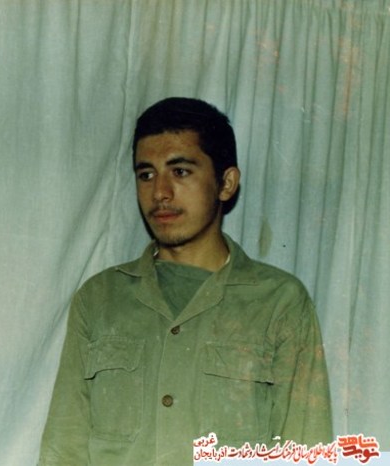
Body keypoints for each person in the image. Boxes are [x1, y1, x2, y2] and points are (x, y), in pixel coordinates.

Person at [39, 98, 332, 465]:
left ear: (226, 183)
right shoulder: (99, 300)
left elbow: (306, 448)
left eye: (180, 171)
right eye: (146, 174)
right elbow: (64, 449)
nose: (160, 192)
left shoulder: (279, 303)